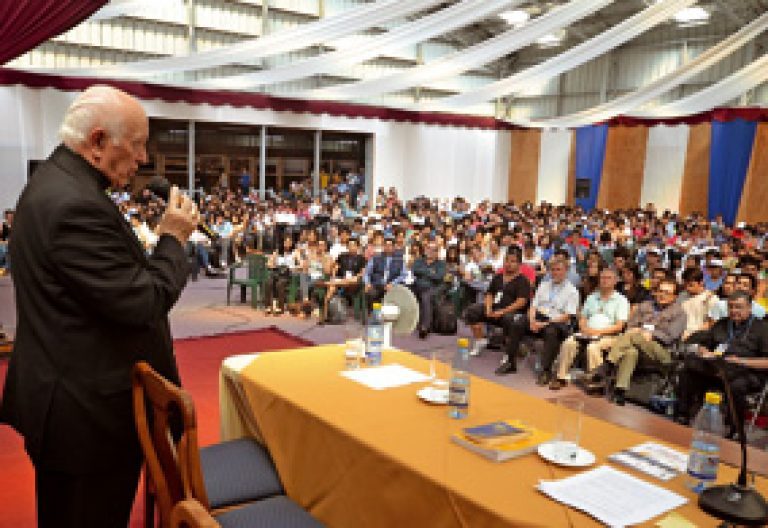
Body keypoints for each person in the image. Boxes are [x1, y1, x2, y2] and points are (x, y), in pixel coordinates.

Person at [0, 86, 198, 527]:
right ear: (97, 142)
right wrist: (173, 239)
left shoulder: (56, 182)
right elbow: (144, 301)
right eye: (137, 144)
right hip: (86, 416)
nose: (143, 158)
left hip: (67, 393)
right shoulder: (74, 205)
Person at [677, 291, 768, 429]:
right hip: (718, 366)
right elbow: (705, 344)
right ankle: (683, 414)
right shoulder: (722, 323)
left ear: (749, 308)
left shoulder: (762, 329)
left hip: (746, 371)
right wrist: (705, 352)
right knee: (687, 369)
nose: (733, 311)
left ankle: (735, 427)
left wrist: (741, 361)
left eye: (738, 307)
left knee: (737, 384)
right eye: (730, 307)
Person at [590, 278, 687, 405]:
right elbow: (630, 326)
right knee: (631, 352)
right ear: (656, 292)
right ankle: (620, 391)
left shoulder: (679, 313)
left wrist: (650, 334)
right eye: (660, 291)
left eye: (667, 293)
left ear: (674, 296)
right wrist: (640, 332)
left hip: (662, 351)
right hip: (637, 344)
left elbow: (670, 336)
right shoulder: (645, 306)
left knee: (634, 337)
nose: (662, 295)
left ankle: (609, 363)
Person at [550, 267, 629, 390]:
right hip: (587, 332)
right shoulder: (592, 297)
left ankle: (596, 383)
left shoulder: (621, 300)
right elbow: (583, 317)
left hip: (610, 336)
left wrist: (597, 332)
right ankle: (561, 377)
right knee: (569, 343)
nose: (605, 281)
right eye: (602, 278)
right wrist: (583, 327)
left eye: (609, 278)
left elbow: (619, 326)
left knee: (593, 348)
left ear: (615, 281)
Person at [510, 259, 580, 386]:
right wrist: (531, 320)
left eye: (558, 270)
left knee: (551, 332)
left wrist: (545, 323)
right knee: (517, 323)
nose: (555, 273)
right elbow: (533, 306)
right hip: (538, 317)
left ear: (566, 271)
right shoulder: (544, 285)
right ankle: (510, 362)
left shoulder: (572, 291)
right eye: (553, 270)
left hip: (557, 321)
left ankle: (546, 371)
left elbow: (567, 316)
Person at [464, 247, 531, 375]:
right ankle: (480, 340)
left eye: (512, 261)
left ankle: (509, 353)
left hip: (513, 312)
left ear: (519, 264)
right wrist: (488, 308)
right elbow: (490, 294)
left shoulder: (523, 281)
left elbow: (521, 302)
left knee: (510, 319)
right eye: (507, 260)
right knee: (473, 310)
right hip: (495, 308)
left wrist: (502, 312)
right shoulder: (498, 277)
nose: (509, 264)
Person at [412, 240, 448, 339]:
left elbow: (438, 277)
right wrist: (430, 272)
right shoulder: (419, 260)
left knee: (426, 297)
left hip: (432, 288)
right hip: (417, 286)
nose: (430, 251)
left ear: (437, 253)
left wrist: (423, 272)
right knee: (404, 291)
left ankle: (425, 327)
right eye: (428, 249)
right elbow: (415, 270)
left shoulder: (441, 264)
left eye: (434, 250)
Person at [363, 236, 406, 310]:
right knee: (372, 294)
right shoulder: (376, 257)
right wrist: (367, 283)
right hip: (377, 284)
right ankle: (376, 314)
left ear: (394, 247)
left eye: (390, 245)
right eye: (385, 245)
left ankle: (388, 316)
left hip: (392, 286)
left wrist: (392, 284)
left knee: (396, 297)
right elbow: (367, 272)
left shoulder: (400, 259)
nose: (388, 247)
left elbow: (403, 275)